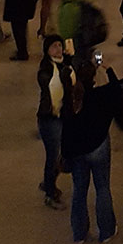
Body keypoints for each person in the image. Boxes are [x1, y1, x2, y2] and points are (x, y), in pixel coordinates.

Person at [62, 59, 121, 244]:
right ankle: (106, 231)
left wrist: (65, 155)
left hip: (78, 151)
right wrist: (109, 69)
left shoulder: (72, 100)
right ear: (94, 79)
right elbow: (117, 91)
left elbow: (66, 129)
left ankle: (79, 233)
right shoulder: (101, 96)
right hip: (99, 147)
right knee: (102, 188)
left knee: (79, 190)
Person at [37, 33, 75, 208]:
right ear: (47, 50)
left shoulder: (65, 64)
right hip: (50, 118)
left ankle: (48, 181)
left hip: (62, 117)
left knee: (57, 155)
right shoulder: (46, 69)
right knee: (53, 157)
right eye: (54, 46)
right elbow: (53, 84)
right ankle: (50, 193)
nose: (58, 49)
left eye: (60, 45)